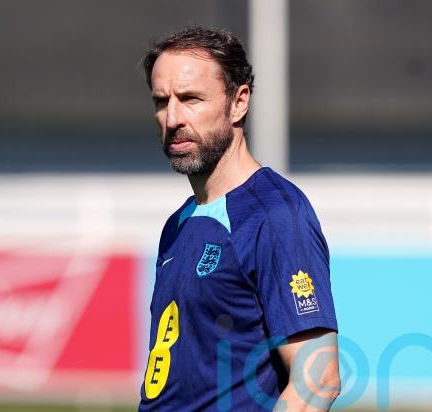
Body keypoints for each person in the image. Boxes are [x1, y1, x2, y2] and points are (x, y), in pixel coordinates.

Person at [139, 26, 340, 411]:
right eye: (162, 101)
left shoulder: (275, 214)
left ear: (239, 102)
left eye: (191, 98)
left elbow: (318, 380)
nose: (173, 118)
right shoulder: (178, 223)